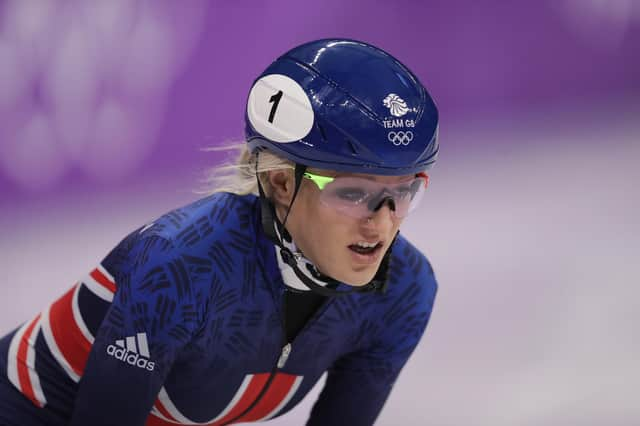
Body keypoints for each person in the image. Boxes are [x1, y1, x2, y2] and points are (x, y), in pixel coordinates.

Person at [0, 38, 439, 426]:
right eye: (352, 193)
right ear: (282, 184)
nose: (381, 223)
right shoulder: (180, 264)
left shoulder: (402, 290)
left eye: (403, 192)